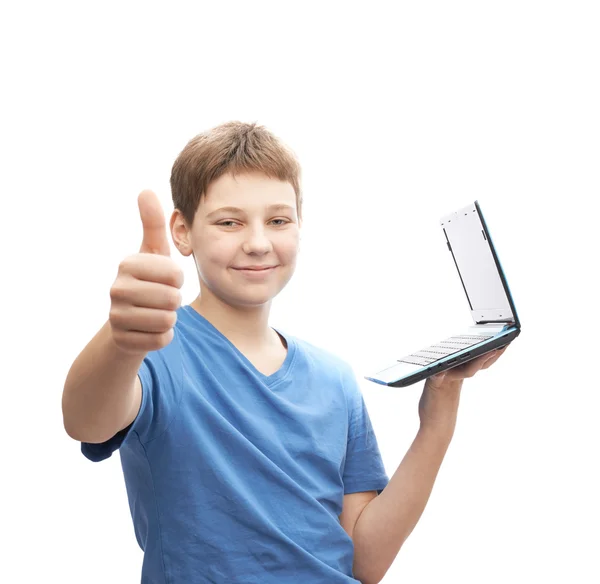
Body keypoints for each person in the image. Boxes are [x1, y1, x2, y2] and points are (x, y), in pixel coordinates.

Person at [62, 121, 507, 584]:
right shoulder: (152, 355)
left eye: (278, 220)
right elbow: (85, 419)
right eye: (229, 221)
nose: (258, 243)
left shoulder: (333, 378)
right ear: (183, 231)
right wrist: (121, 338)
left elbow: (365, 562)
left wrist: (439, 416)